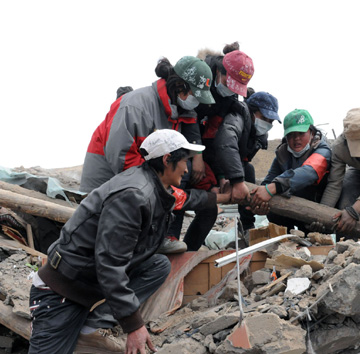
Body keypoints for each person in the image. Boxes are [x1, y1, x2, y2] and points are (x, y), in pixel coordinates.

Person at [29, 130, 231, 354]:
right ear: (167, 160)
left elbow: (190, 198)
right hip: (61, 293)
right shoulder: (133, 195)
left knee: (158, 266)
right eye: (184, 161)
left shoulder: (157, 187)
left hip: (87, 282)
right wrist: (133, 325)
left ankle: (94, 328)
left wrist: (224, 197)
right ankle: (89, 329)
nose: (186, 169)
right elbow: (109, 264)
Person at [79, 55, 217, 253]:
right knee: (109, 246)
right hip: (107, 182)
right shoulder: (136, 105)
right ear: (179, 86)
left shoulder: (172, 112)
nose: (196, 103)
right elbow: (123, 158)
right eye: (195, 95)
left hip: (132, 183)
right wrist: (159, 188)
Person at [196, 42, 257, 231]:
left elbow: (216, 139)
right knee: (188, 175)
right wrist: (197, 157)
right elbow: (190, 125)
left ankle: (247, 229)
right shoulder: (197, 84)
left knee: (210, 209)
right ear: (218, 72)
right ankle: (170, 234)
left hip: (207, 151)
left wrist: (223, 176)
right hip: (186, 150)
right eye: (227, 84)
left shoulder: (229, 100)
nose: (230, 90)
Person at [249, 109, 331, 232]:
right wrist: (259, 203)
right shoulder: (282, 155)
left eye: (301, 133)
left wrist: (274, 187)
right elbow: (268, 182)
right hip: (291, 209)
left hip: (317, 208)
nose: (296, 139)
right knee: (272, 209)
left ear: (312, 133)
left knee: (318, 230)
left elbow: (309, 172)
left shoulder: (323, 151)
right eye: (291, 135)